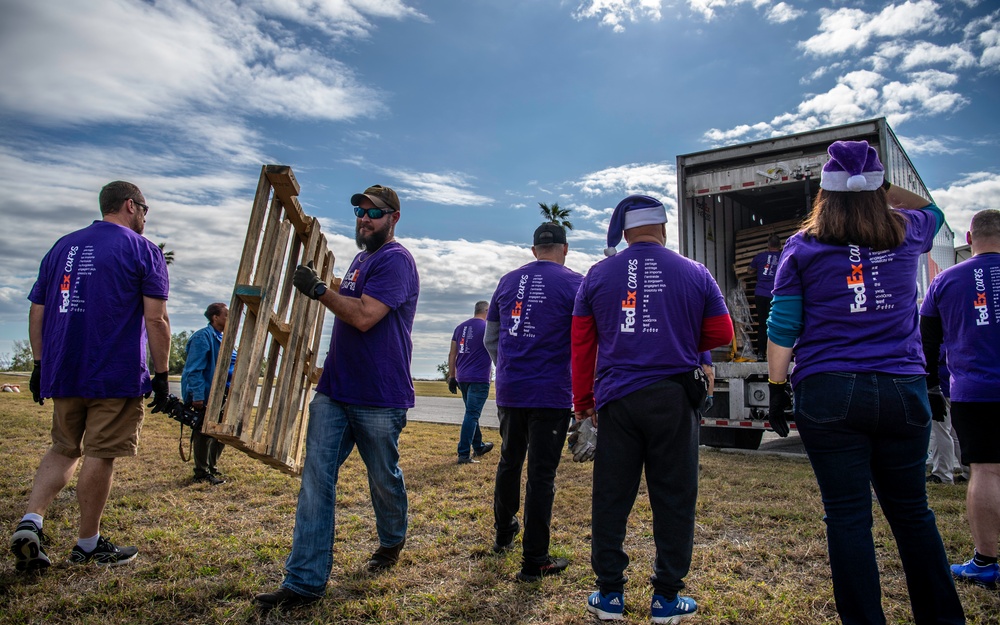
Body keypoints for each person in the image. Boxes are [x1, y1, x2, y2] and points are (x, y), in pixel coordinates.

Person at [765, 141, 965, 624]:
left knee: (848, 516)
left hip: (829, 390)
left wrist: (775, 389)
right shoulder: (908, 230)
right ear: (879, 190)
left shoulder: (804, 245)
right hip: (902, 389)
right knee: (913, 514)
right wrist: (876, 182)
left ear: (824, 193)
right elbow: (934, 208)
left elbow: (783, 324)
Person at [255, 184, 419, 610]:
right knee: (316, 479)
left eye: (374, 212)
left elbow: (364, 316)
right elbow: (346, 296)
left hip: (379, 395)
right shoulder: (361, 259)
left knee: (383, 477)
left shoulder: (396, 261)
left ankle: (392, 539)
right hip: (335, 389)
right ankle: (304, 582)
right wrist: (323, 280)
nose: (364, 218)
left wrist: (318, 291)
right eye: (360, 211)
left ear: (394, 218)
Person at [573, 194, 733, 623]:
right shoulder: (695, 272)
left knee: (611, 495)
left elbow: (582, 344)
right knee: (675, 495)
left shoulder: (596, 275)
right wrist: (685, 346)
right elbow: (721, 331)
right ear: (663, 229)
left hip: (617, 399)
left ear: (625, 233)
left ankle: (609, 594)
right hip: (673, 398)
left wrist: (583, 401)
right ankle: (665, 598)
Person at [11, 181, 171, 571]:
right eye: (146, 210)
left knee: (64, 447)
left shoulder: (62, 245)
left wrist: (38, 364)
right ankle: (87, 543)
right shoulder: (144, 250)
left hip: (64, 368)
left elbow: (38, 309)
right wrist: (163, 374)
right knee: (100, 453)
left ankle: (32, 520)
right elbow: (157, 318)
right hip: (113, 374)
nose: (146, 218)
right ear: (131, 206)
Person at [484, 222, 582, 582]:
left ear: (533, 250)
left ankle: (503, 532)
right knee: (542, 474)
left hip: (511, 390)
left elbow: (491, 338)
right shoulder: (574, 283)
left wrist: (508, 368)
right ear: (565, 248)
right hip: (551, 391)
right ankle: (535, 558)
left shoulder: (507, 281)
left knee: (510, 460)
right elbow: (586, 337)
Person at [920, 208, 1000, 589]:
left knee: (986, 470)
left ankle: (985, 563)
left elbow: (926, 343)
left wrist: (930, 388)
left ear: (969, 239)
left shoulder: (945, 281)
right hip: (975, 391)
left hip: (975, 392)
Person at [181, 302, 236, 486]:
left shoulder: (224, 339)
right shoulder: (202, 338)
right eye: (226, 314)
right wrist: (197, 395)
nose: (230, 318)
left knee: (220, 433)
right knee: (204, 433)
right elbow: (194, 370)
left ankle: (212, 467)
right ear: (215, 317)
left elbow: (234, 362)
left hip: (222, 395)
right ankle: (201, 472)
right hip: (206, 394)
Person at [447, 300, 495, 464]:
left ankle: (479, 446)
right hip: (479, 378)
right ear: (487, 311)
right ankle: (464, 454)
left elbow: (452, 354)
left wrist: (452, 376)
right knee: (472, 415)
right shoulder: (487, 327)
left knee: (471, 413)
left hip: (463, 378)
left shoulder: (460, 327)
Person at [747, 233, 782, 359]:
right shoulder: (783, 257)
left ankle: (761, 353)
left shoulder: (760, 257)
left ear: (768, 245)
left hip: (760, 294)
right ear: (780, 245)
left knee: (762, 323)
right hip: (775, 295)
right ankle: (775, 355)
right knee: (776, 324)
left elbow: (749, 270)